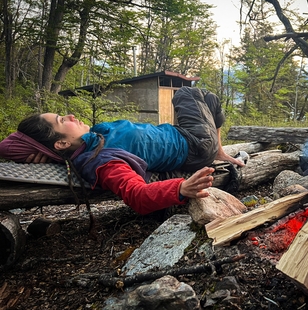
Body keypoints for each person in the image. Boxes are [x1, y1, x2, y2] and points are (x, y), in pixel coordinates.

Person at [2, 87, 244, 216]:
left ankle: (220, 151)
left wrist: (41, 152)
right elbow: (137, 195)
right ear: (62, 143)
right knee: (187, 93)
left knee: (206, 98)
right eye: (62, 119)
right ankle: (216, 150)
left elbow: (11, 146)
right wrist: (180, 188)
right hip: (195, 145)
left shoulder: (93, 138)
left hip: (185, 134)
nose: (72, 116)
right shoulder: (99, 161)